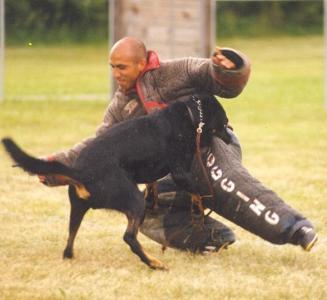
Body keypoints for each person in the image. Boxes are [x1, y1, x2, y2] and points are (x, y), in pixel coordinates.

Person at [40, 37, 317, 253]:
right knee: (145, 214)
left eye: (121, 67)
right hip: (173, 168)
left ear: (141, 63)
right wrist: (54, 166)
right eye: (112, 67)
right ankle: (212, 239)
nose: (116, 74)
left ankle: (296, 229)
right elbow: (97, 146)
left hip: (210, 146)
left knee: (230, 187)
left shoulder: (177, 70)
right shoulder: (120, 107)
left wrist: (228, 67)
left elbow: (215, 77)